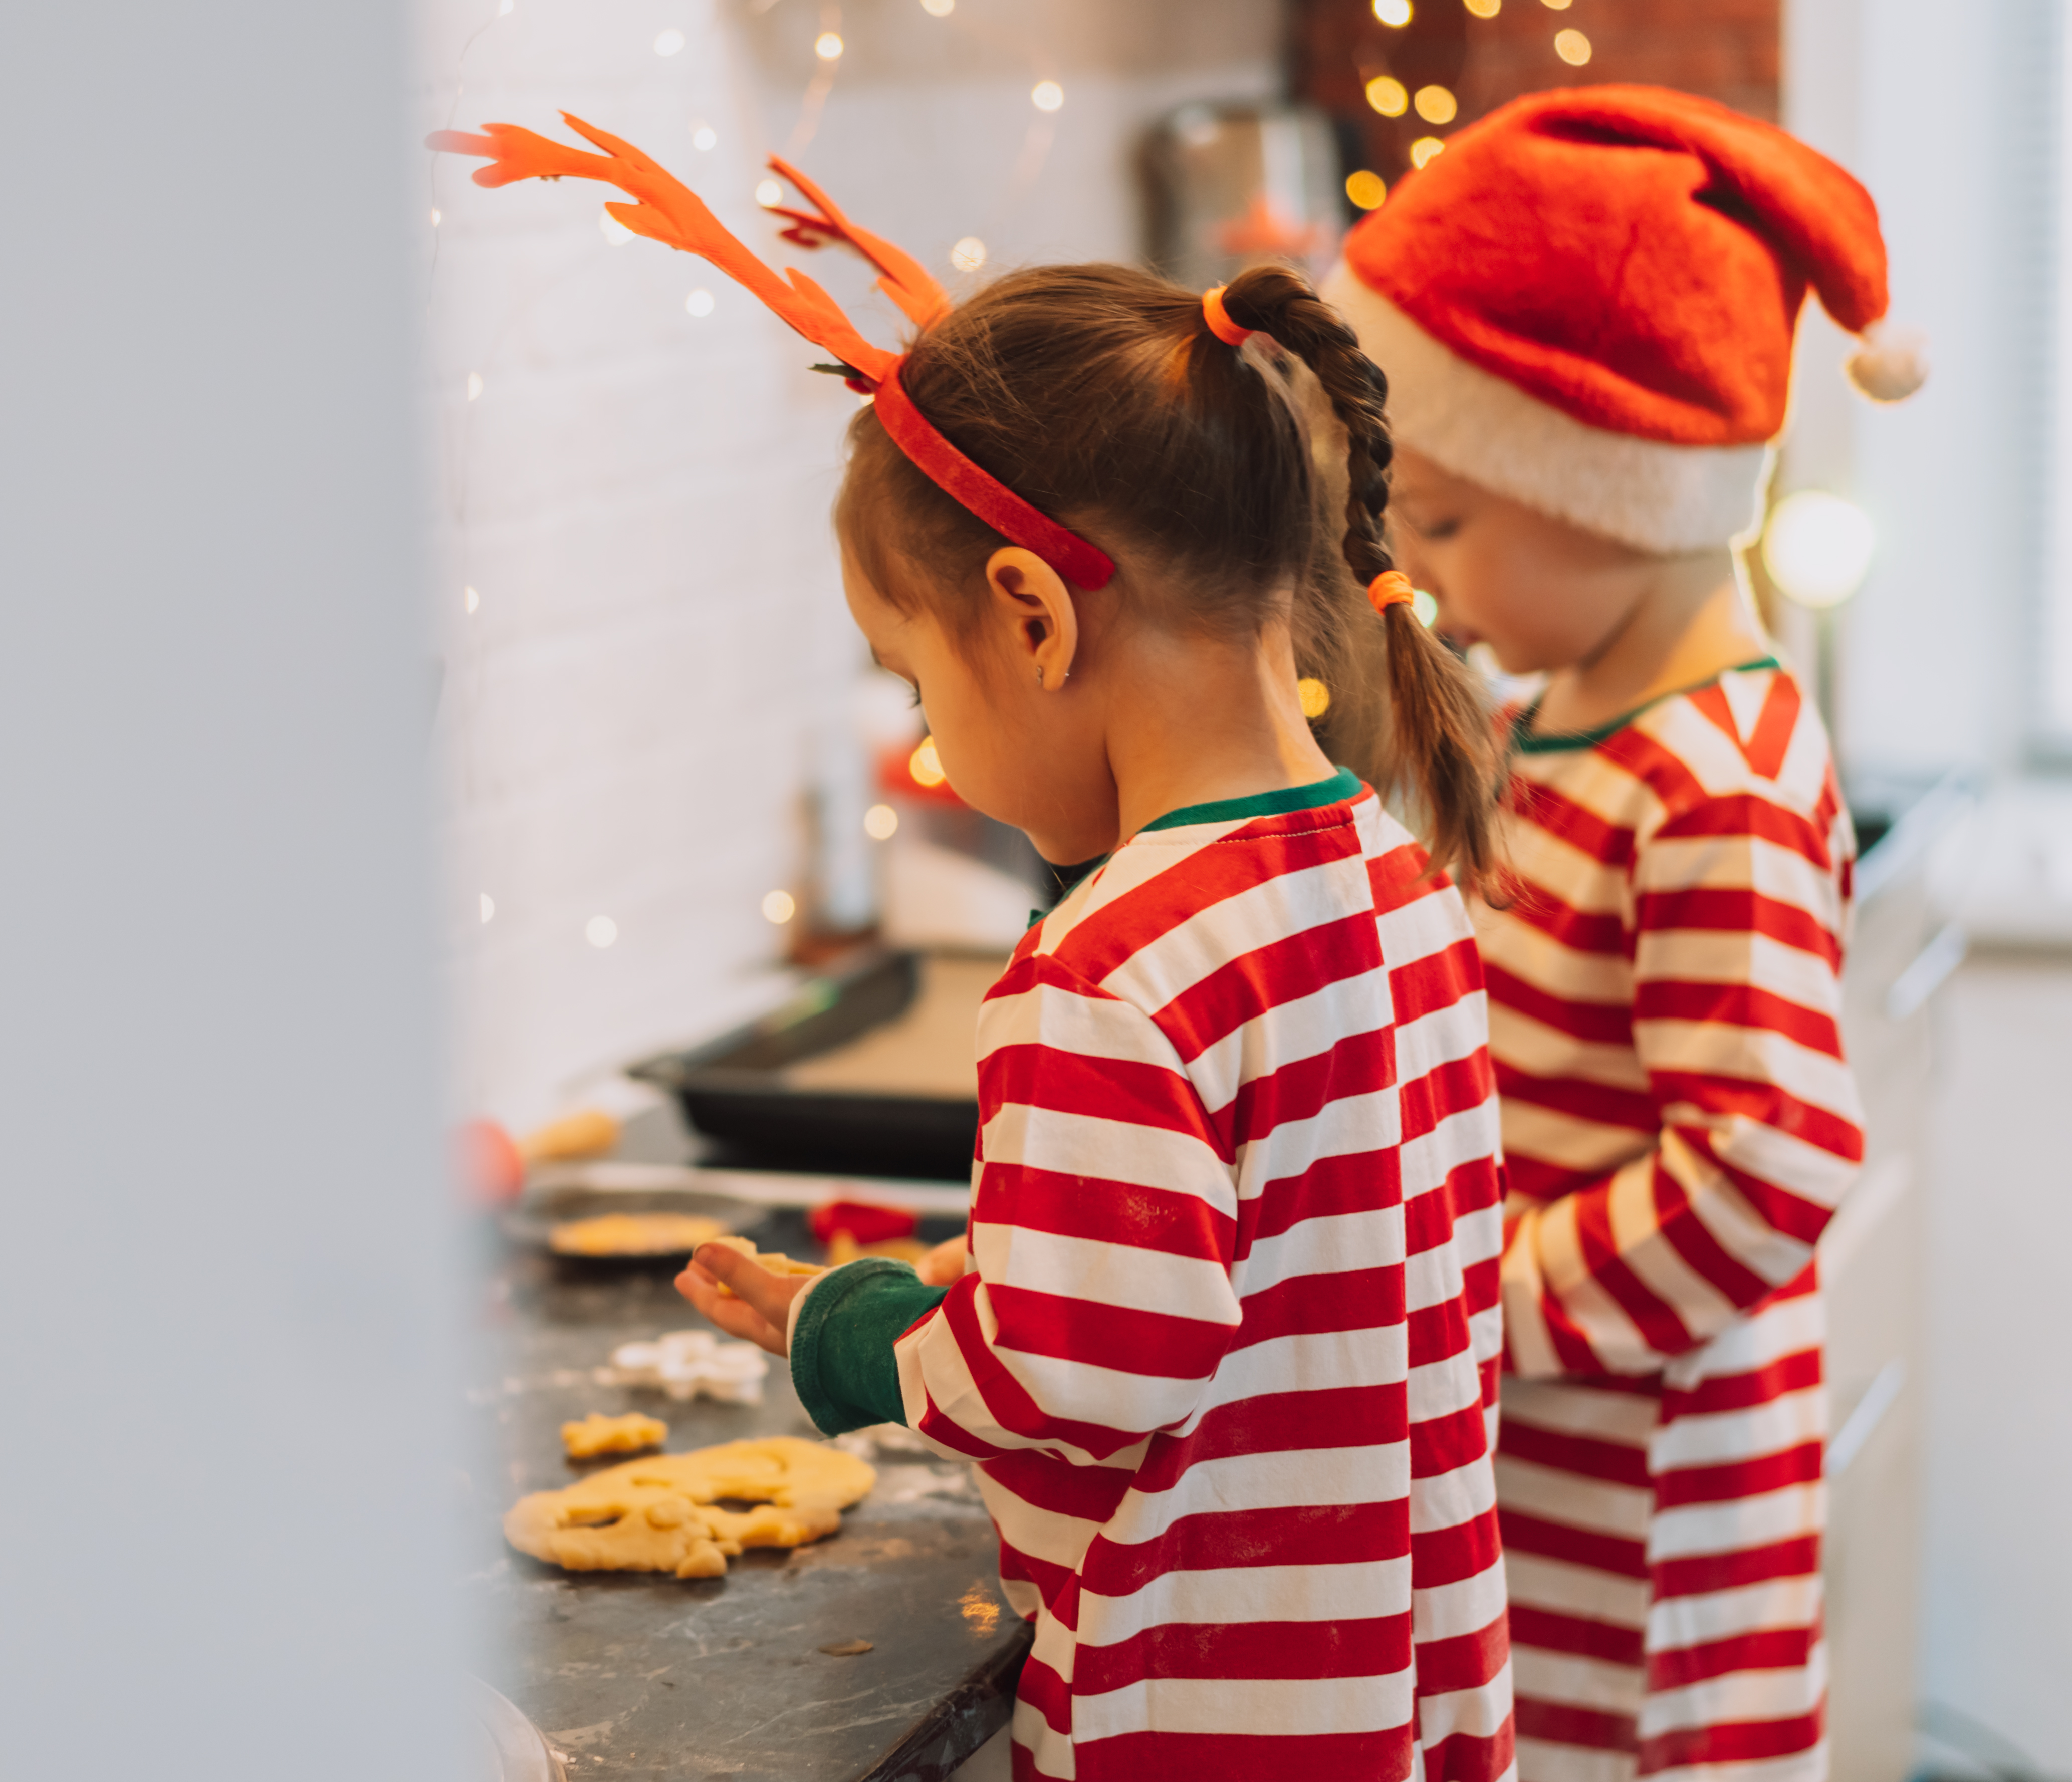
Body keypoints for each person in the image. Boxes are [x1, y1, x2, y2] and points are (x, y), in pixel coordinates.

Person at [432, 114, 1517, 1780]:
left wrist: (856, 1332)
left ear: (1031, 613)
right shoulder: (1385, 872)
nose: (927, 743)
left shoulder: (1107, 970)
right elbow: (1298, 1265)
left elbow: (1084, 1379)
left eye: (915, 683)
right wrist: (1000, 1275)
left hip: (1206, 1720)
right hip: (1404, 1687)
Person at [1321, 86, 1925, 1782]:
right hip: (1557, 1489)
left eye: (1441, 522)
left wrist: (1473, 1307)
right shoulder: (1569, 706)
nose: (1420, 580)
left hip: (1643, 1570)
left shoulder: (1710, 781)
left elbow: (1770, 1161)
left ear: (1617, 492)